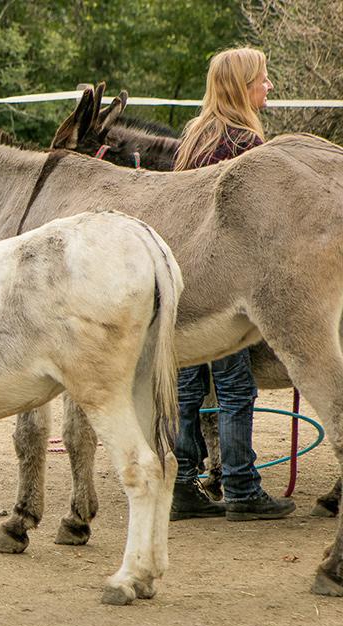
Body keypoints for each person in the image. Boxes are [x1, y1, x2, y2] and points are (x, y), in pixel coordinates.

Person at [170, 47, 295, 522]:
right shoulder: (246, 147)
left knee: (185, 387)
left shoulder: (193, 139)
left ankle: (182, 484)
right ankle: (242, 486)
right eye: (262, 79)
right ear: (242, 87)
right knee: (236, 389)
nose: (268, 87)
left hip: (186, 283)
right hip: (224, 284)